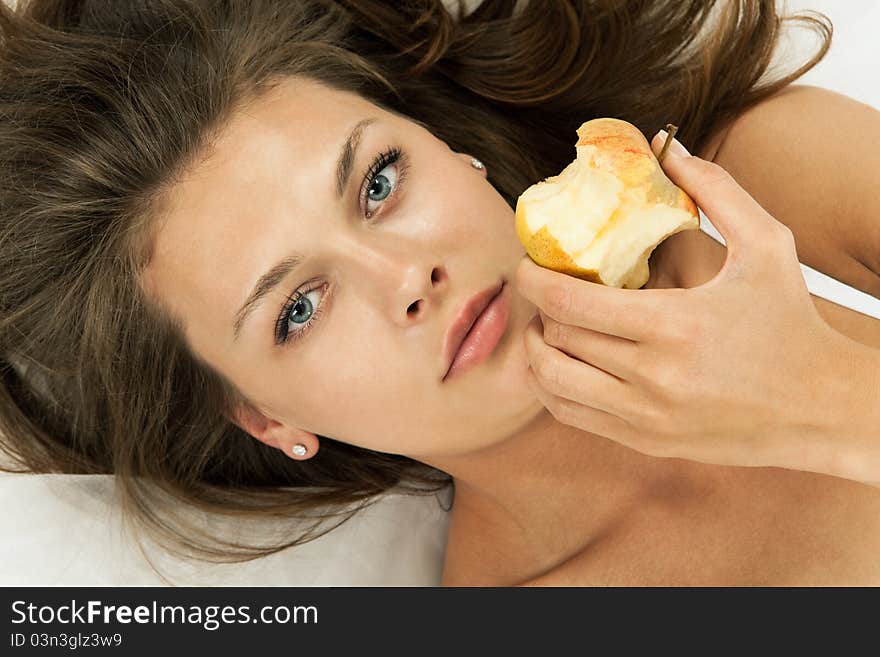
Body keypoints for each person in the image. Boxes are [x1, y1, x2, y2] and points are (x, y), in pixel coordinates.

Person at [1, 0, 878, 585]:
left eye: (379, 183)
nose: (405, 278)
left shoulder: (737, 188)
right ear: (267, 419)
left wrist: (817, 394)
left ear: (452, 152)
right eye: (297, 308)